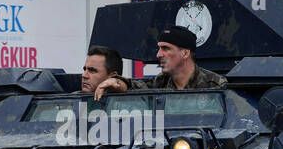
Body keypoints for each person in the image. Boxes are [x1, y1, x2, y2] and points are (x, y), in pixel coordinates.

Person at [94, 27, 226, 98]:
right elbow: (134, 86)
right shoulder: (160, 82)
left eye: (166, 48)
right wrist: (115, 83)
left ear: (185, 53)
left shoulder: (215, 85)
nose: (158, 54)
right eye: (159, 48)